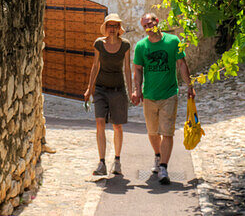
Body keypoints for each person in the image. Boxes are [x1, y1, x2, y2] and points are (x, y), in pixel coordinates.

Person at [131, 12, 195, 185]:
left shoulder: (173, 42)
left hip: (169, 94)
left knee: (167, 132)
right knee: (152, 132)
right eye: (144, 26)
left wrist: (189, 86)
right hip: (150, 96)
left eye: (150, 23)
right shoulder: (141, 46)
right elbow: (138, 69)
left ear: (157, 22)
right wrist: (137, 90)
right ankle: (158, 156)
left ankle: (164, 168)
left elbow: (182, 64)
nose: (148, 28)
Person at [83, 13, 133, 176]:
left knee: (117, 126)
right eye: (110, 25)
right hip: (101, 90)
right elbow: (95, 67)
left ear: (119, 29)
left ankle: (117, 161)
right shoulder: (99, 44)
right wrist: (89, 89)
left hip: (118, 89)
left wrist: (131, 90)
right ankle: (102, 162)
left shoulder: (125, 45)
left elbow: (127, 69)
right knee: (99, 123)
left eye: (115, 26)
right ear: (106, 28)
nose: (112, 29)